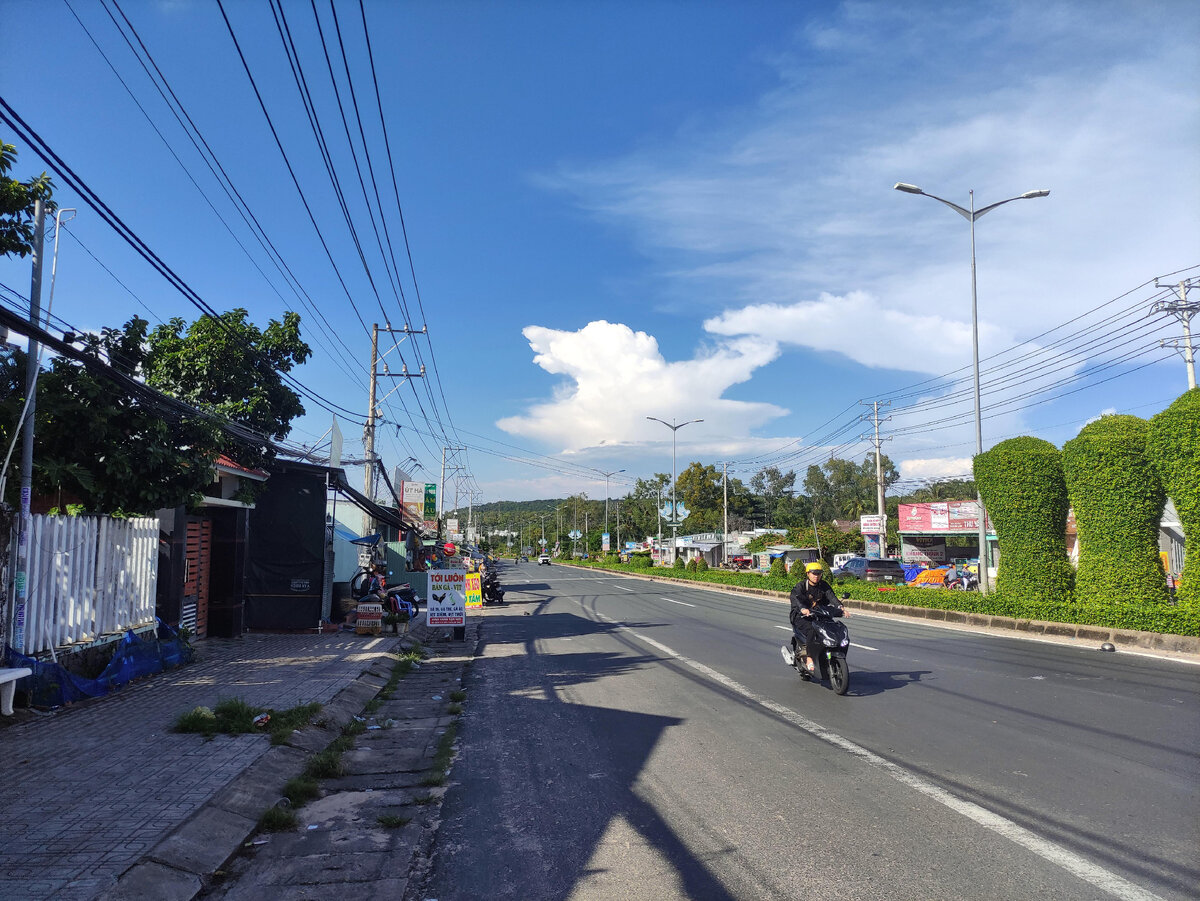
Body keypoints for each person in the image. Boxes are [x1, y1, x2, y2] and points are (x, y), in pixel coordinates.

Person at [783, 561, 845, 678]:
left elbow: (832, 597)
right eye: (814, 573)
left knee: (834, 627)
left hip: (819, 614)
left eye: (819, 573)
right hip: (801, 616)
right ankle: (810, 657)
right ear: (808, 574)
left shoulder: (823, 585)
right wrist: (803, 609)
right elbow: (795, 599)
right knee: (813, 629)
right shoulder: (801, 586)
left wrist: (841, 608)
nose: (816, 576)